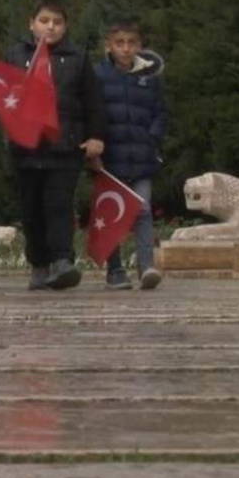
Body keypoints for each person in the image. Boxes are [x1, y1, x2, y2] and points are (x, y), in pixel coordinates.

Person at [5, 0, 106, 290]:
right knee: (31, 209)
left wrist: (96, 136)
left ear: (66, 26)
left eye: (57, 22)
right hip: (25, 147)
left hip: (64, 145)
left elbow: (93, 102)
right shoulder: (15, 54)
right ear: (31, 23)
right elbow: (4, 95)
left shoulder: (77, 57)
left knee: (59, 204)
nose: (50, 26)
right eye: (44, 20)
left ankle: (63, 261)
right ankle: (39, 264)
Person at [95, 19, 169, 290]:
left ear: (139, 46)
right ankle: (115, 270)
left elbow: (161, 112)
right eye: (119, 43)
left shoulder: (149, 78)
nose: (125, 49)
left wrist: (152, 137)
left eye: (131, 43)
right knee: (112, 213)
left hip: (142, 156)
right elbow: (92, 113)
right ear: (109, 46)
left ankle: (146, 265)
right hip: (110, 157)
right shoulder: (98, 76)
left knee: (143, 211)